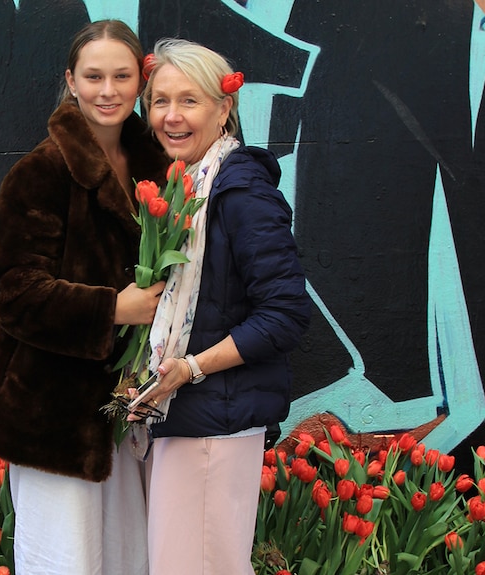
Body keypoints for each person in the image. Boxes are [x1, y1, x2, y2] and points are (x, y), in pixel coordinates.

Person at [0, 20, 169, 575]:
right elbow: (11, 292)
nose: (107, 90)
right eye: (93, 76)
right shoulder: (40, 172)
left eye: (121, 75)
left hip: (129, 402)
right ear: (71, 80)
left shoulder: (159, 166)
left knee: (130, 558)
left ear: (141, 81)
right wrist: (112, 308)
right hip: (51, 408)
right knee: (65, 559)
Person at [137, 38, 312, 574]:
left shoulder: (239, 192)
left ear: (224, 107)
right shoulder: (191, 186)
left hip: (213, 426)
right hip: (190, 419)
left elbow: (285, 314)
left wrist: (190, 368)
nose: (171, 116)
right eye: (160, 101)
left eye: (189, 101)